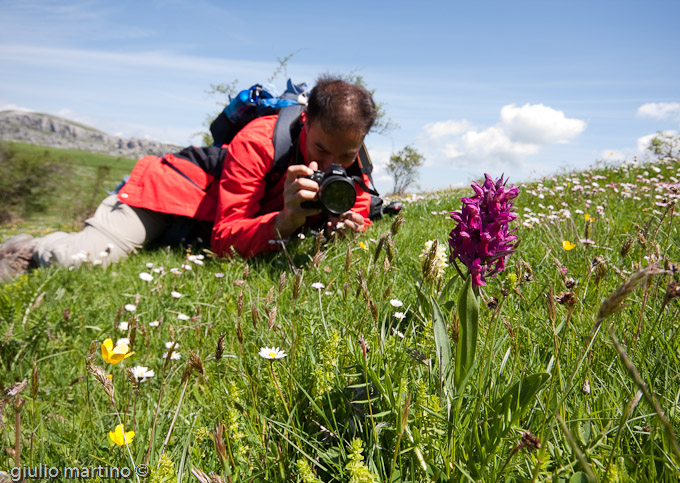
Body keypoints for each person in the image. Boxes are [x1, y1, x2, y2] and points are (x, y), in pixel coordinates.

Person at [0, 76, 378, 282]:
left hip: (201, 220)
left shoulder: (351, 158)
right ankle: (30, 247)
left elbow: (358, 206)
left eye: (346, 155)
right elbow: (225, 236)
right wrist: (285, 221)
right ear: (307, 122)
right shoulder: (259, 141)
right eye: (321, 150)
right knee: (82, 260)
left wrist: (346, 225)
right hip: (170, 195)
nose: (334, 163)